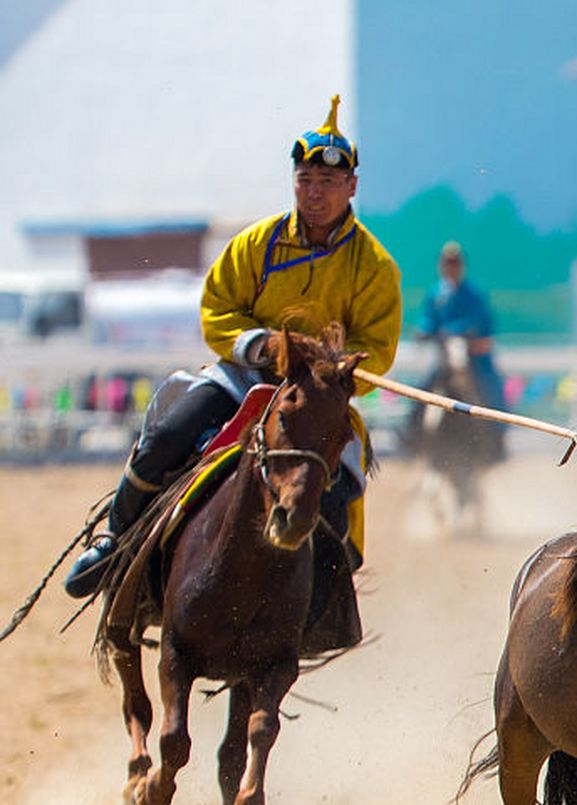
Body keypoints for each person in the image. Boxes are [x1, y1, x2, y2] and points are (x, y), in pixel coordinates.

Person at [65, 96, 402, 649]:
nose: (314, 192)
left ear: (352, 188)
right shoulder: (256, 243)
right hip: (242, 382)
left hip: (317, 399)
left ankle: (323, 607)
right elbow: (217, 310)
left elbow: (377, 352)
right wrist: (262, 345)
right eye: (305, 179)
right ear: (294, 182)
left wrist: (330, 371)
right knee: (167, 436)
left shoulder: (375, 267)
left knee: (338, 488)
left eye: (326, 182)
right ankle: (115, 544)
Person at [414, 242, 505, 411]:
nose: (450, 268)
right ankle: (412, 428)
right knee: (424, 387)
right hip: (443, 353)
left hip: (473, 356)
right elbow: (428, 318)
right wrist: (423, 329)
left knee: (489, 391)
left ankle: (490, 424)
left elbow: (478, 321)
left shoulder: (474, 294)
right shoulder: (436, 293)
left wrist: (455, 331)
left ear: (462, 266)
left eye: (455, 263)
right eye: (447, 263)